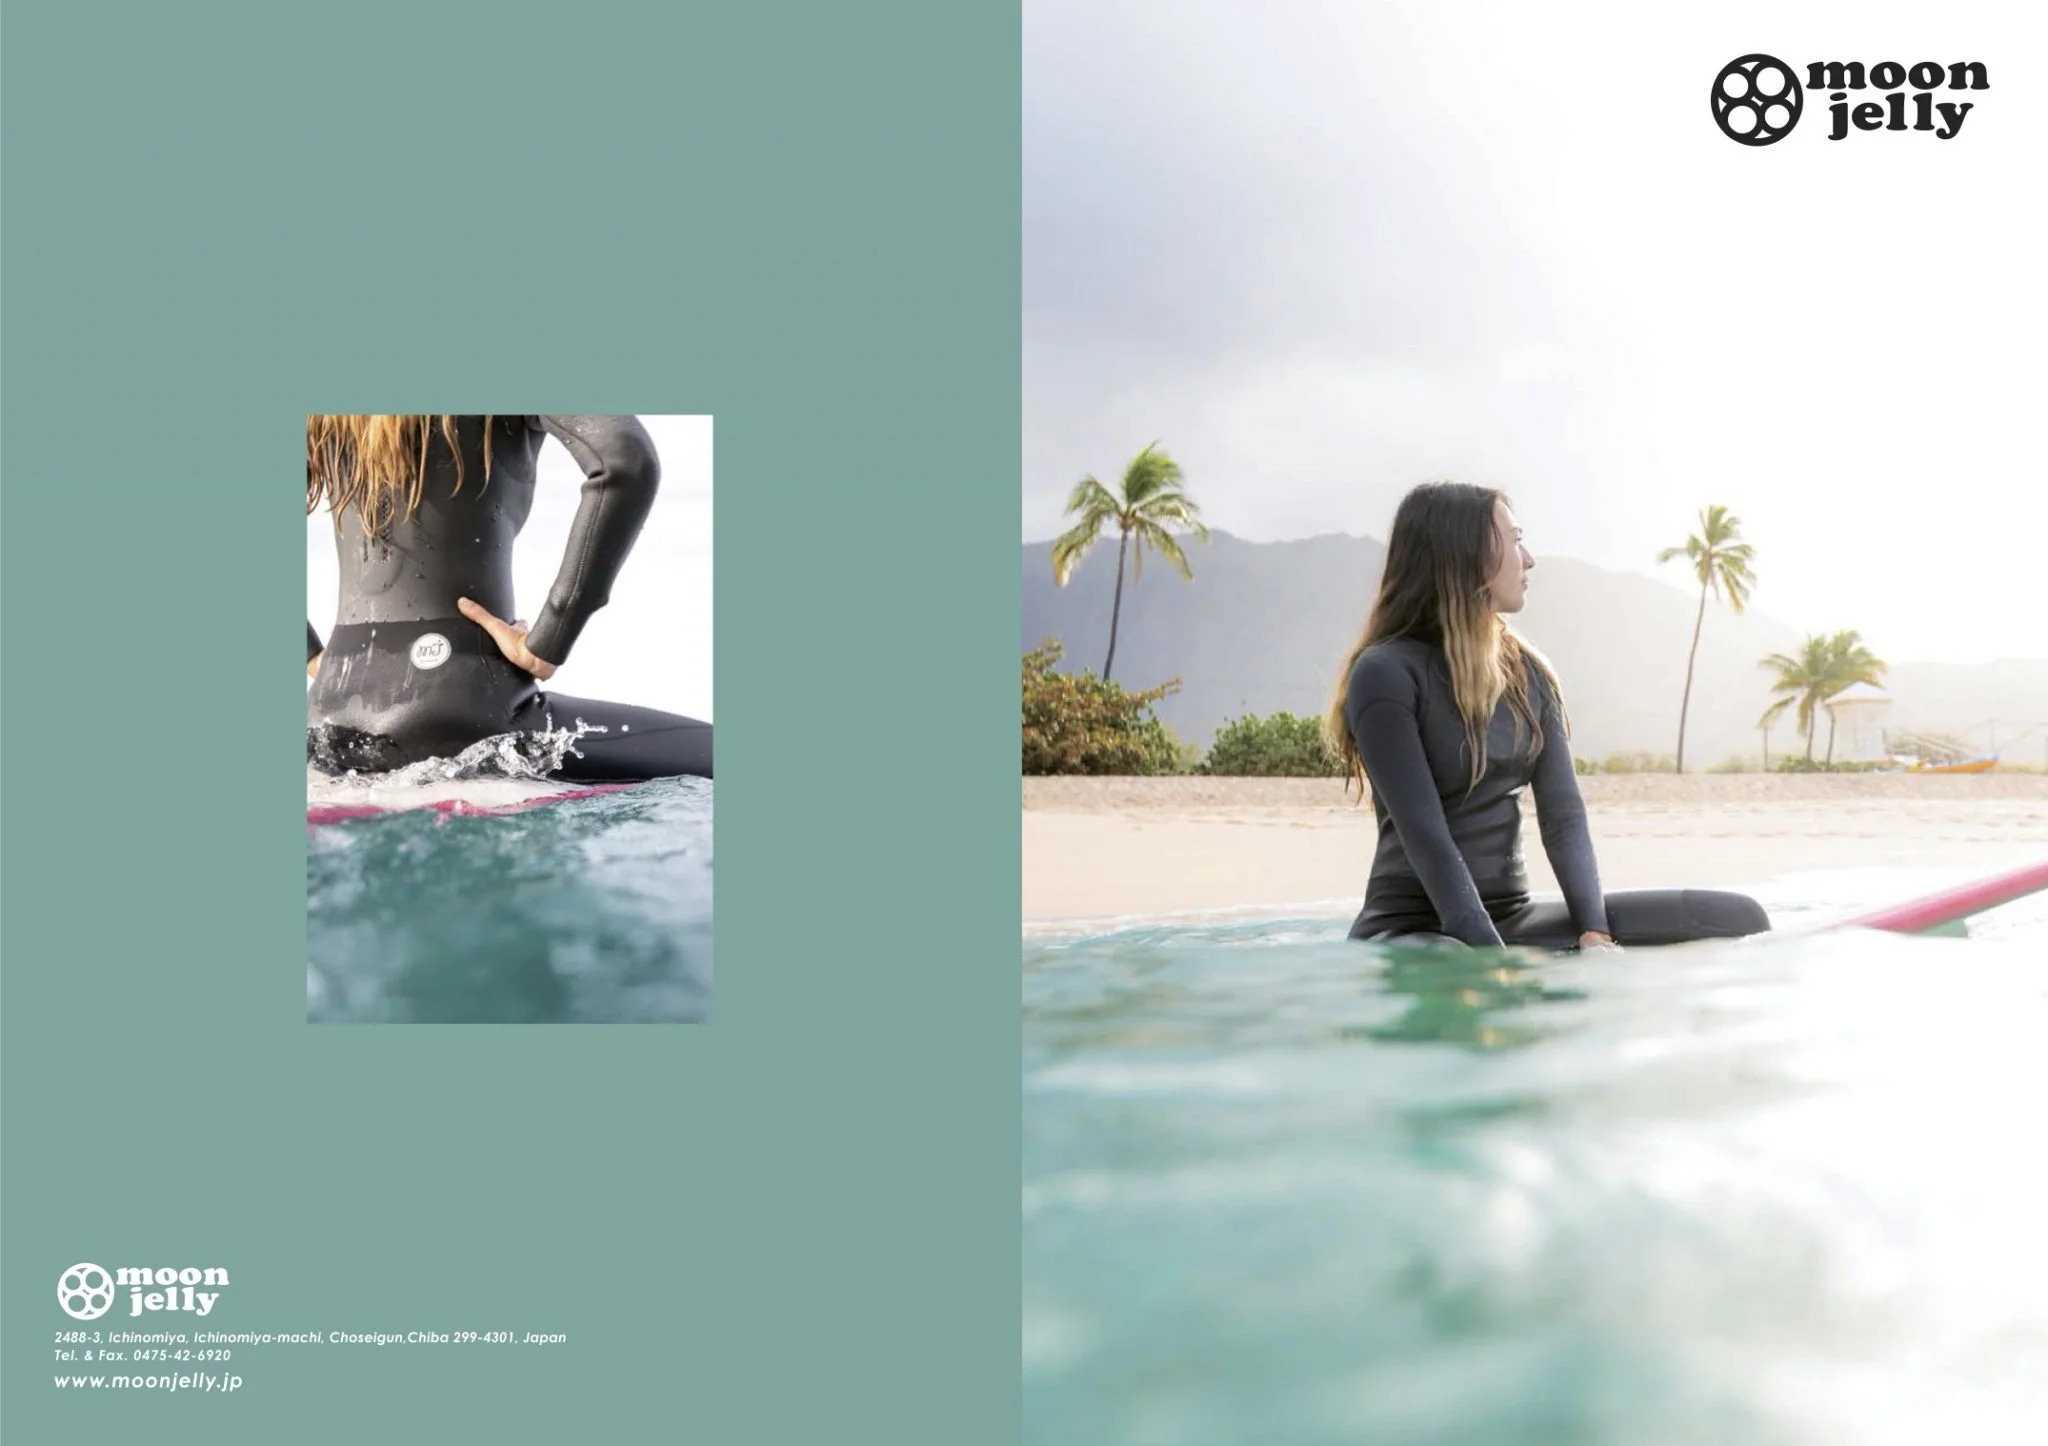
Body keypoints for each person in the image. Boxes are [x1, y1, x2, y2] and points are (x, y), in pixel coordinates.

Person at [1325, 481, 1765, 951]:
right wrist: (1490, 958)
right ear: (1463, 552)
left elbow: (1562, 817)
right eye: (1514, 540)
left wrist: (1594, 932)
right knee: (1454, 955)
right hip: (1410, 928)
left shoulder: (1529, 674)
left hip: (1510, 918)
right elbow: (1424, 833)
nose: (1529, 558)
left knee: (1736, 918)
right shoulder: (1385, 673)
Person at [307, 414, 712, 781]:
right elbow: (626, 457)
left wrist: (312, 656)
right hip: (468, 709)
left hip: (327, 719)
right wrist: (550, 640)